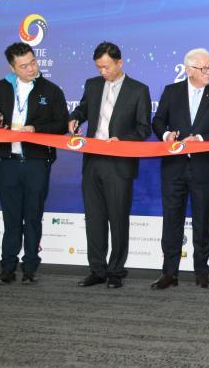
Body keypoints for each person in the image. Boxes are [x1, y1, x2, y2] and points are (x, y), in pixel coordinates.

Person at [0, 42, 68, 285]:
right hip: (8, 163)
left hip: (37, 163)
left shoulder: (51, 90)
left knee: (33, 216)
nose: (31, 68)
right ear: (12, 67)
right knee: (11, 219)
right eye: (24, 66)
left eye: (33, 62)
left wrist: (35, 129)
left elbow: (61, 124)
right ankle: (7, 269)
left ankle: (29, 269)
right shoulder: (4, 86)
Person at [69, 41, 151, 289]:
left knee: (118, 219)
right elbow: (83, 109)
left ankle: (116, 271)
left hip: (119, 163)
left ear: (119, 62)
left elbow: (144, 129)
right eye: (99, 67)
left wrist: (122, 141)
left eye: (106, 67)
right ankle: (97, 270)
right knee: (94, 218)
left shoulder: (139, 90)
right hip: (92, 160)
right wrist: (75, 118)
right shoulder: (92, 85)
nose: (102, 72)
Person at [150, 48, 209, 290]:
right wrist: (166, 135)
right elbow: (158, 121)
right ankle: (169, 273)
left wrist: (200, 139)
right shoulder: (171, 91)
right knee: (171, 221)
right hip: (174, 168)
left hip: (204, 169)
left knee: (202, 223)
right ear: (188, 70)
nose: (208, 72)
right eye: (202, 68)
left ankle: (202, 273)